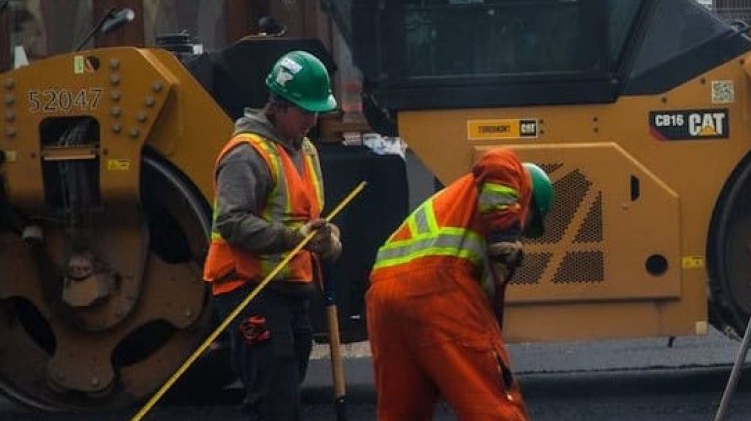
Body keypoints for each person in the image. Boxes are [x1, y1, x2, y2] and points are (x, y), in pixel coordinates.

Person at [203, 50, 342, 421]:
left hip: (290, 289)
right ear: (278, 106)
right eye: (305, 111)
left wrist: (327, 237)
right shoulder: (246, 155)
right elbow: (231, 222)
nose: (313, 120)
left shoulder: (305, 150)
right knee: (276, 402)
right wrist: (293, 238)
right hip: (249, 289)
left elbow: (309, 216)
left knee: (285, 389)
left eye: (317, 111)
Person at [366, 147, 554, 420]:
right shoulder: (518, 178)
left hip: (384, 294)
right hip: (439, 287)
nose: (523, 230)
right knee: (491, 406)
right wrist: (506, 233)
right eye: (529, 222)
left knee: (402, 412)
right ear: (529, 201)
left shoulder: (454, 206)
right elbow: (498, 160)